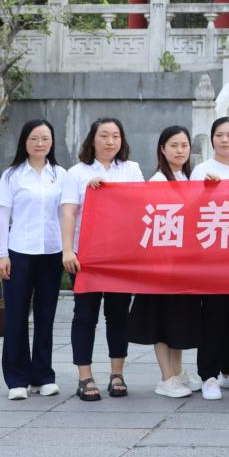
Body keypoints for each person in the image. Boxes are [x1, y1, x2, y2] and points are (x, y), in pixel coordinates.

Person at [0, 119, 79, 401]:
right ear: (24, 142)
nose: (40, 143)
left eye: (45, 138)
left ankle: (42, 375)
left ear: (52, 142)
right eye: (34, 138)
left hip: (51, 252)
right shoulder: (12, 175)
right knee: (16, 315)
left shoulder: (61, 175)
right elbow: (3, 217)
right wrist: (2, 255)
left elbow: (67, 214)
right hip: (19, 251)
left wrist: (68, 249)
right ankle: (16, 378)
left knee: (46, 314)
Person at [63, 118, 143, 401]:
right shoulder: (76, 173)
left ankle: (117, 374)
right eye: (104, 136)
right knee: (85, 315)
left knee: (118, 315)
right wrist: (67, 250)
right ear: (92, 140)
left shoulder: (131, 169)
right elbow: (69, 212)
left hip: (120, 256)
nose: (110, 141)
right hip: (86, 256)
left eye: (115, 136)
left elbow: (141, 204)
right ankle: (85, 377)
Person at [128, 125, 203, 399]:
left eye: (184, 145)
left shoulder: (189, 177)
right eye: (174, 145)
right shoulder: (158, 181)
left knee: (177, 320)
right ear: (162, 149)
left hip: (184, 265)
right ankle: (166, 377)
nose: (180, 150)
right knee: (160, 320)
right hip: (161, 265)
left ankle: (178, 372)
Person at [190, 116, 229, 401]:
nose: (224, 140)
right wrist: (206, 189)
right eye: (219, 135)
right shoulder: (201, 170)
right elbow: (191, 208)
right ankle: (209, 375)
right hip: (212, 257)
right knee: (213, 316)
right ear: (212, 138)